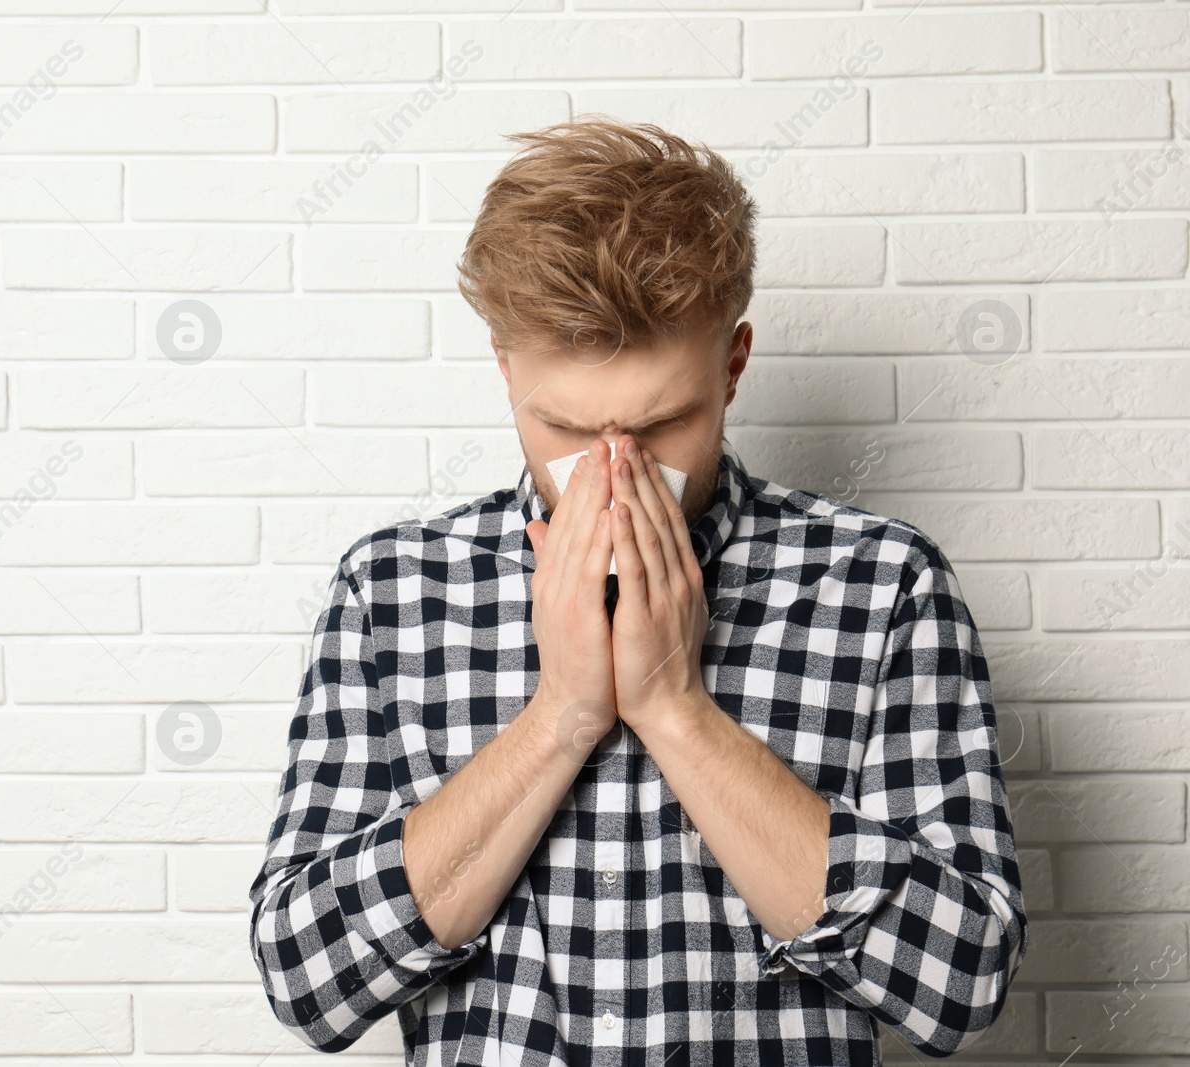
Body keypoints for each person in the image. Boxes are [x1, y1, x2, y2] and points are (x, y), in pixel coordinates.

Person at [248, 115, 1025, 1067]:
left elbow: (963, 982)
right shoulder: (396, 590)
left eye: (662, 424)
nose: (612, 472)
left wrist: (674, 707)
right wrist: (563, 714)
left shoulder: (880, 584)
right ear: (505, 370)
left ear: (733, 365)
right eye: (566, 427)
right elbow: (308, 978)